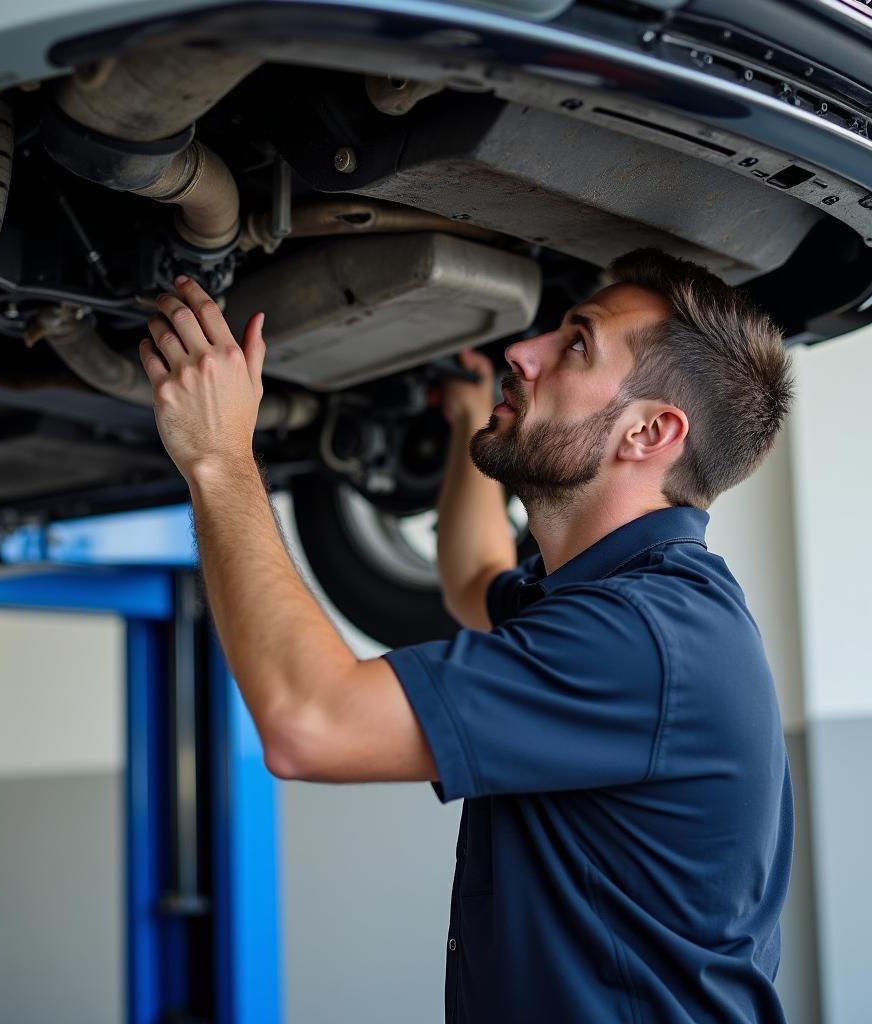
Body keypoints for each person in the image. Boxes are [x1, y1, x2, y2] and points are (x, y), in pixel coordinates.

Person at [139, 247, 794, 1024]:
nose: (525, 349)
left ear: (651, 431)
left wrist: (218, 458)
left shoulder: (647, 638)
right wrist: (470, 421)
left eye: (575, 344)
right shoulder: (623, 601)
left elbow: (308, 724)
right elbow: (472, 576)